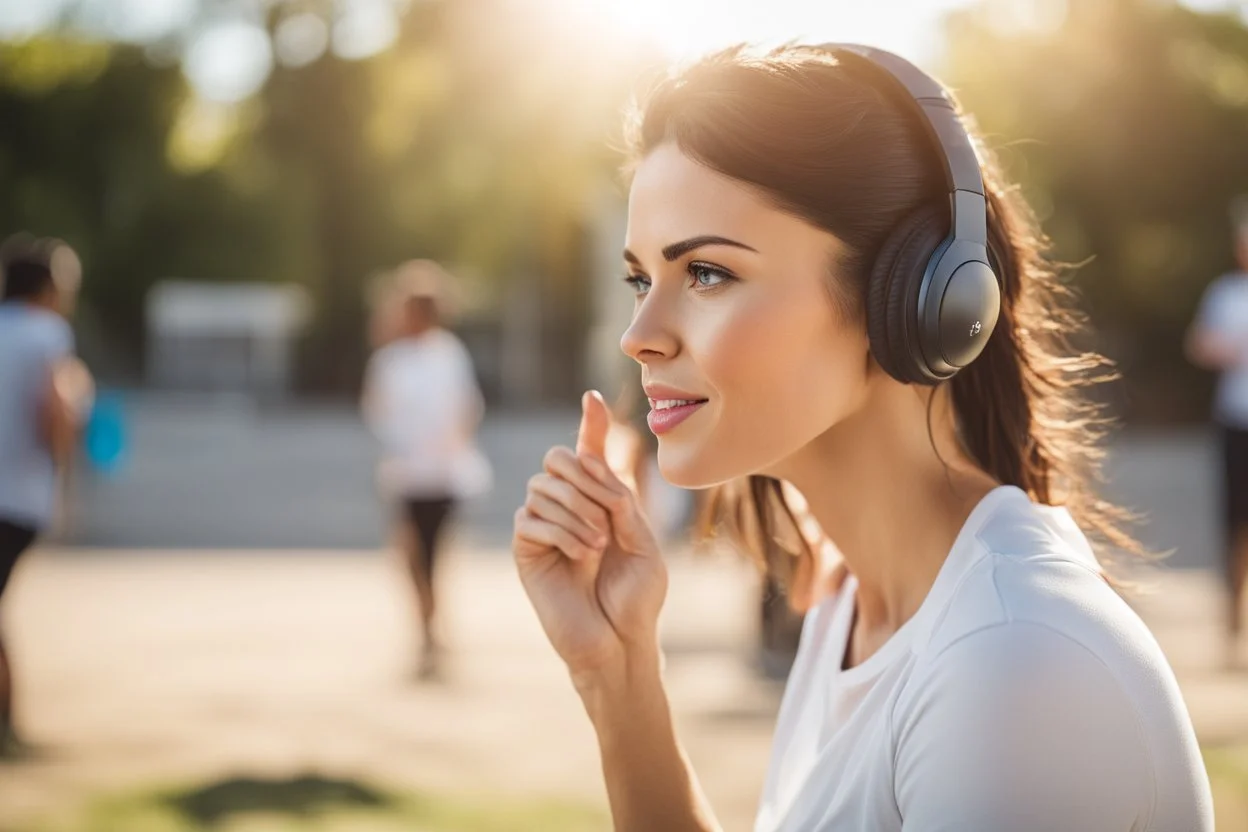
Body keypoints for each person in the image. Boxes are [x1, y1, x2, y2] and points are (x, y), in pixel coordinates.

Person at [512, 44, 1213, 831]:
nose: (639, 335)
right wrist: (618, 674)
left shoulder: (1011, 661)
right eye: (641, 280)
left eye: (706, 273)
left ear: (915, 298)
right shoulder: (853, 611)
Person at [362, 261, 491, 680]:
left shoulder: (448, 354)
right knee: (413, 556)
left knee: (433, 554)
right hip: (407, 473)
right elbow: (378, 413)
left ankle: (432, 630)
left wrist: (449, 445)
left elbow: (466, 407)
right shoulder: (391, 360)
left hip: (444, 472)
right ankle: (427, 629)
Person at [0, 234, 91, 757]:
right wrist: (61, 474)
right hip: (17, 494)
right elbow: (56, 409)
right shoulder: (46, 333)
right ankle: (8, 724)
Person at [1186, 198, 1248, 670]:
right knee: (1234, 527)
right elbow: (1198, 343)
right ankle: (1232, 628)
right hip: (1235, 422)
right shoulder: (1224, 294)